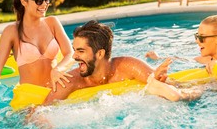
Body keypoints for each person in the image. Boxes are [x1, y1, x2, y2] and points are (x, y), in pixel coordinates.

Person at [38, 20, 202, 106]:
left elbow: (165, 82)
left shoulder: (128, 66)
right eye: (74, 50)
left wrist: (162, 81)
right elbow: (40, 111)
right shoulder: (70, 81)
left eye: (80, 51)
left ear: (100, 53)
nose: (74, 57)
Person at [145, 14, 217, 74]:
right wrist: (157, 58)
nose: (197, 41)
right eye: (197, 36)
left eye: (201, 37)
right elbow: (182, 60)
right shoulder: (204, 60)